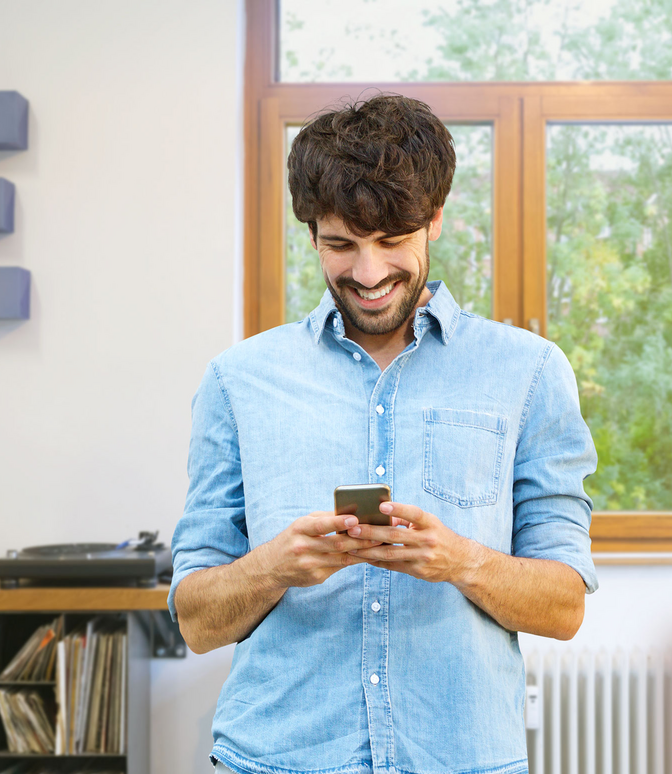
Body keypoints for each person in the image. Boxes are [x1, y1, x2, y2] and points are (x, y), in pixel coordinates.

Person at [169, 94, 597, 774]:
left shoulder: (529, 373)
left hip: (464, 760)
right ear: (310, 234)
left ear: (434, 220)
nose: (368, 275)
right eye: (341, 245)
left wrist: (459, 560)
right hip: (274, 760)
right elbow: (195, 622)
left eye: (392, 241)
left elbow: (564, 607)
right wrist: (272, 568)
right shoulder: (237, 381)